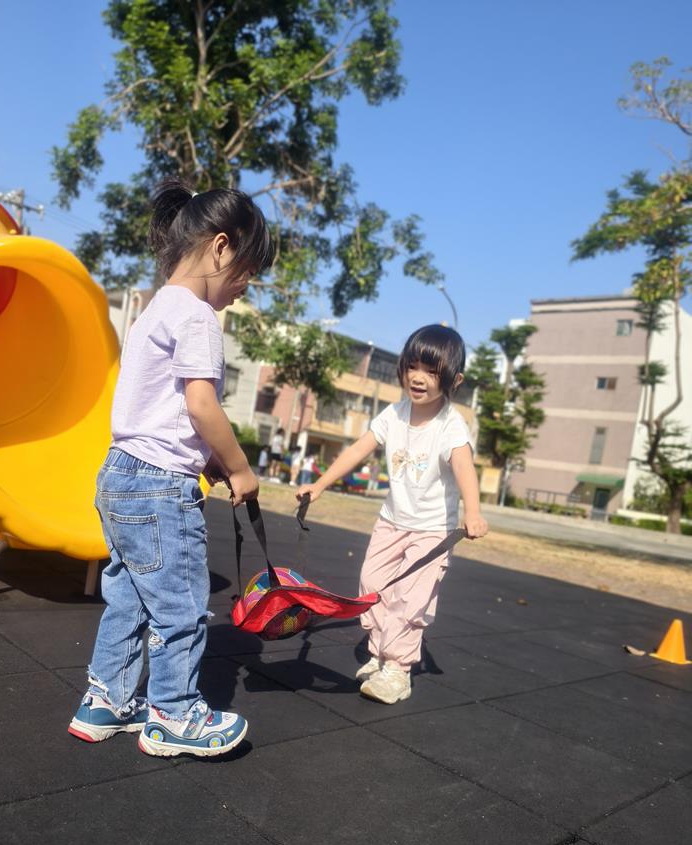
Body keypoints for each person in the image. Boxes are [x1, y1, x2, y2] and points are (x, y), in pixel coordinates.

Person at [68, 178, 273, 756]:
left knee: (130, 598)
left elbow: (164, 410)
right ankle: (175, 714)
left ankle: (106, 702)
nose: (245, 286)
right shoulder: (198, 317)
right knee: (180, 605)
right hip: (160, 487)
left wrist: (206, 459)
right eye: (247, 271)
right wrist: (239, 467)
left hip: (119, 473)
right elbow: (201, 405)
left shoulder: (154, 308)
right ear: (221, 247)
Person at [297, 324, 488, 705]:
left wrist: (473, 511)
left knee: (410, 598)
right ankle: (381, 652)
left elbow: (464, 467)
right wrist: (319, 485)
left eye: (432, 371)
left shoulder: (450, 425)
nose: (419, 378)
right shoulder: (393, 414)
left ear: (455, 380)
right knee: (371, 584)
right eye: (413, 366)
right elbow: (358, 449)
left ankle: (398, 670)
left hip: (431, 531)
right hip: (391, 521)